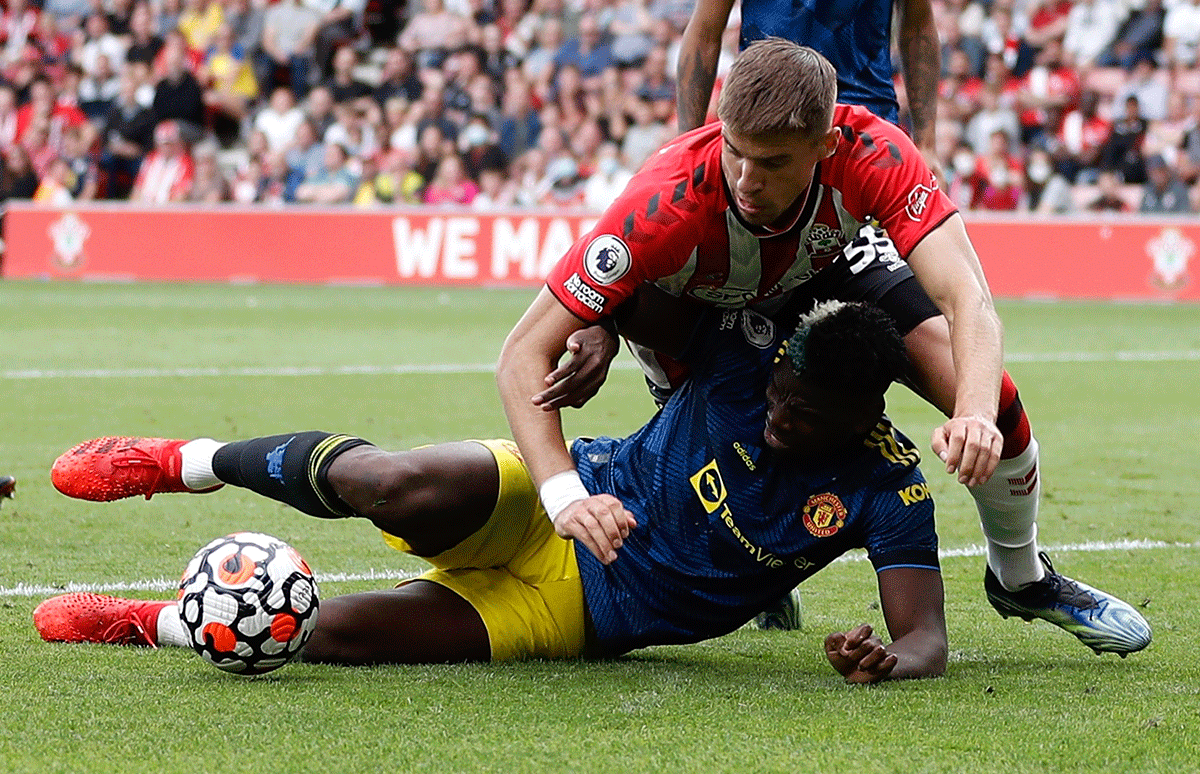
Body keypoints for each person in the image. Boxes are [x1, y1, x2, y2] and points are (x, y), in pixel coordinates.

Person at [495, 40, 1152, 656]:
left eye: (774, 161)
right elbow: (524, 350)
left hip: (822, 264)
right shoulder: (664, 201)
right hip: (701, 301)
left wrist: (974, 412)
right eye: (735, 152)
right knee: (723, 437)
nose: (747, 179)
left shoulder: (874, 153)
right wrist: (600, 336)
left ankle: (1020, 575)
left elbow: (968, 300)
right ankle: (760, 581)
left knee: (990, 391)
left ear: (825, 145)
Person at [38, 298, 950, 682]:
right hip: (562, 493)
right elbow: (627, 271)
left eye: (803, 416)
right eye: (778, 397)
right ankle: (173, 461)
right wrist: (596, 324)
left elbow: (926, 638)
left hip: (578, 620)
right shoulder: (747, 351)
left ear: (863, 409)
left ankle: (140, 621)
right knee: (388, 482)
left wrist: (888, 663)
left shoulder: (887, 484)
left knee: (322, 633)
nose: (776, 418)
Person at [676, 0, 942, 176]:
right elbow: (704, 33)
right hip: (764, 125)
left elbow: (918, 26)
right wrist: (687, 146)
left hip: (866, 129)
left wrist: (926, 144)